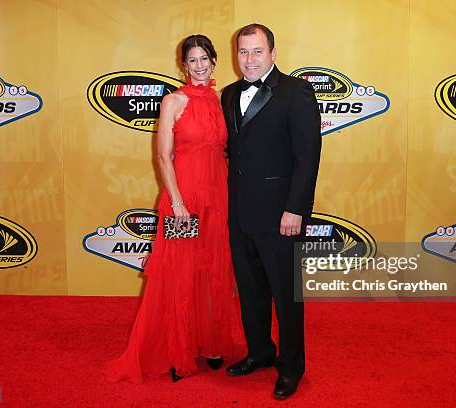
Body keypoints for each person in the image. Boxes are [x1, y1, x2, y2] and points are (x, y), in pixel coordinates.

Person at [105, 34, 243, 384]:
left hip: (218, 197)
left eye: (205, 59)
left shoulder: (220, 99)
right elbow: (163, 157)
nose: (200, 65)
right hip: (183, 201)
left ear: (214, 61)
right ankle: (175, 349)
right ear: (183, 65)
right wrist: (178, 202)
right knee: (180, 272)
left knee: (213, 269)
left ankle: (210, 344)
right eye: (192, 60)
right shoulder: (173, 101)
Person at [221, 23, 321, 399]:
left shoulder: (297, 92)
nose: (249, 60)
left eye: (257, 51)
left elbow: (307, 158)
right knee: (251, 292)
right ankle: (260, 353)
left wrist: (295, 209)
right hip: (240, 214)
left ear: (273, 53)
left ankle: (291, 366)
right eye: (243, 52)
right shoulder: (229, 94)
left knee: (286, 296)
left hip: (282, 216)